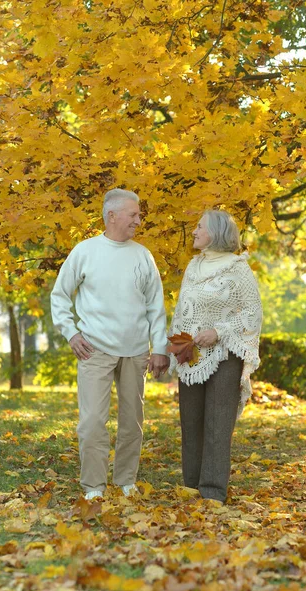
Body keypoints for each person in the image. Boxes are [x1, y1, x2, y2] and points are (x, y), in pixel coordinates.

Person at [51, 189, 169, 500]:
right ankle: (93, 486)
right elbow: (60, 295)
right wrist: (71, 333)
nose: (138, 220)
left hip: (135, 351)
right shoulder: (85, 251)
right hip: (94, 348)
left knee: (133, 421)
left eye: (139, 215)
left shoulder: (143, 255)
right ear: (111, 216)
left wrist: (159, 348)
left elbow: (155, 306)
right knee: (91, 422)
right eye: (133, 215)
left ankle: (126, 480)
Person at [168, 210, 262, 503]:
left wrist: (218, 332)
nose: (194, 231)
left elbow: (252, 313)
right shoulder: (193, 267)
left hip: (224, 355)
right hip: (192, 355)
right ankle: (191, 488)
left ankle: (212, 494)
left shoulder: (238, 269)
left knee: (217, 425)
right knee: (191, 422)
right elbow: (182, 312)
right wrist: (174, 349)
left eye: (199, 227)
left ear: (216, 232)